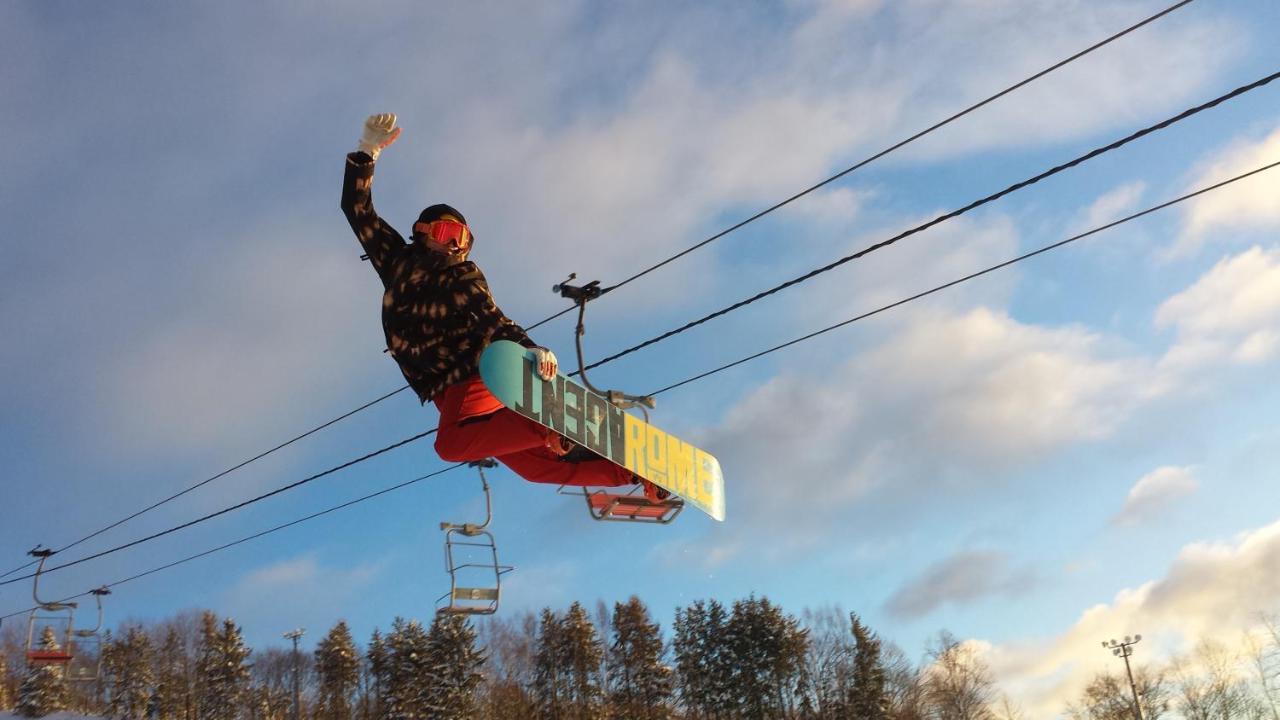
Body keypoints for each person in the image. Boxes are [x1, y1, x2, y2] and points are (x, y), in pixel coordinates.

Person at [342, 113, 653, 494]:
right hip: (450, 393)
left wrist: (530, 349)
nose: (455, 244)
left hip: (475, 377)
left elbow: (493, 319)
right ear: (423, 234)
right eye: (447, 232)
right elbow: (358, 211)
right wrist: (367, 149)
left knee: (450, 446)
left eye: (463, 238)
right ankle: (633, 474)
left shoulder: (462, 275)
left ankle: (549, 424)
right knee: (537, 469)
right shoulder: (397, 261)